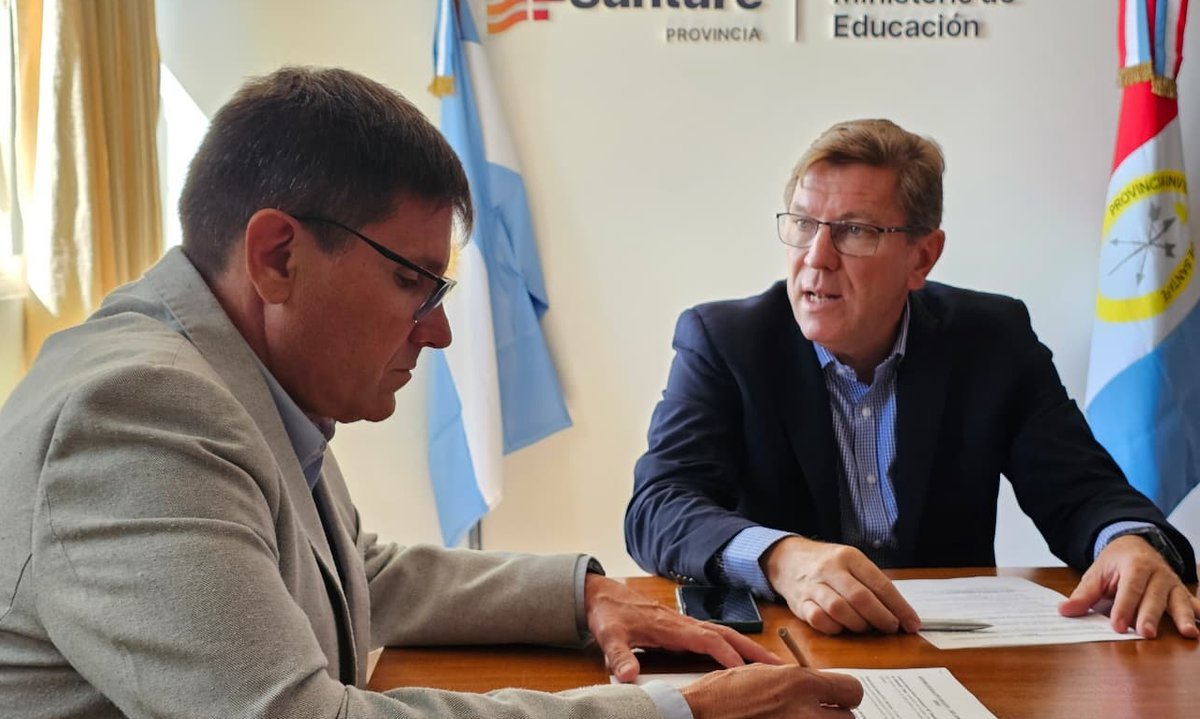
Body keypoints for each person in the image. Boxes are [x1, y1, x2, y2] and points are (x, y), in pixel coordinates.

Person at [0, 67, 864, 719]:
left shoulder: (220, 375)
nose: (440, 330)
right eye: (415, 280)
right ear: (276, 256)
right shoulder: (138, 413)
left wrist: (583, 595)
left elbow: (351, 568)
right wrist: (681, 709)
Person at [625, 118, 1200, 641]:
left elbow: (1083, 491)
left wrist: (1129, 542)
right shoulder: (727, 340)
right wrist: (781, 556)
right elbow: (659, 505)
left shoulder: (991, 339)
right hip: (786, 654)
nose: (816, 257)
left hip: (952, 651)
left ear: (923, 257)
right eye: (803, 224)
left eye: (854, 231)